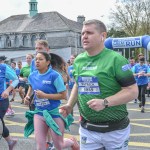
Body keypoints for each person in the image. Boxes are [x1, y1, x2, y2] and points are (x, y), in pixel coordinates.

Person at [60, 19, 138, 150]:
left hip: (115, 130)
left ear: (103, 36)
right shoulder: (79, 60)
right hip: (88, 129)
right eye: (83, 33)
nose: (84, 36)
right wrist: (69, 105)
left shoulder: (116, 59)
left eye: (89, 33)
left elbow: (132, 91)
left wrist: (105, 102)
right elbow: (78, 85)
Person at [24, 52, 79, 150]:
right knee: (40, 146)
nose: (37, 61)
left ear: (48, 62)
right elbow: (31, 86)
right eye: (36, 59)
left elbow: (63, 95)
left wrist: (45, 95)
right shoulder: (32, 75)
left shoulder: (54, 76)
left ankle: (71, 141)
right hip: (39, 113)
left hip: (53, 113)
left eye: (40, 59)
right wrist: (27, 96)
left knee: (59, 145)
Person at [0, 55, 19, 150]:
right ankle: (10, 142)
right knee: (1, 124)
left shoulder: (3, 67)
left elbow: (16, 79)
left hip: (1, 101)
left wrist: (7, 90)